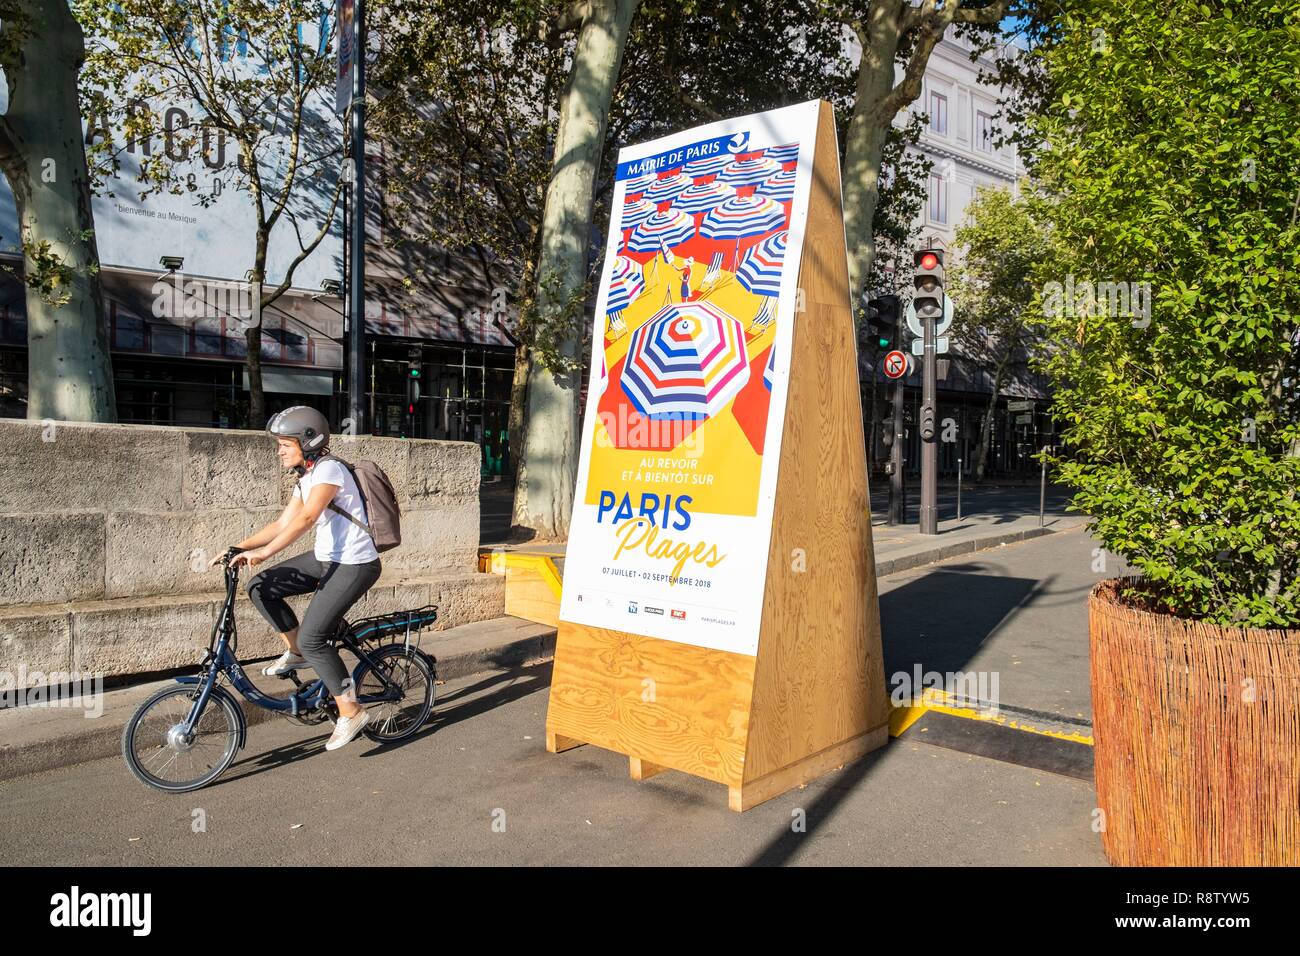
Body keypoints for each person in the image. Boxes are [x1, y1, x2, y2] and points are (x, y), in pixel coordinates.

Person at [210, 406, 382, 751]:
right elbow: (281, 523)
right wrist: (236, 548)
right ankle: (296, 650)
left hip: (355, 564)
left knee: (315, 636)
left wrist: (263, 553)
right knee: (261, 586)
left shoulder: (330, 470)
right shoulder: (307, 475)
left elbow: (306, 519)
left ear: (309, 441)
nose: (279, 451)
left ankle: (351, 710)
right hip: (326, 560)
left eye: (285, 444)